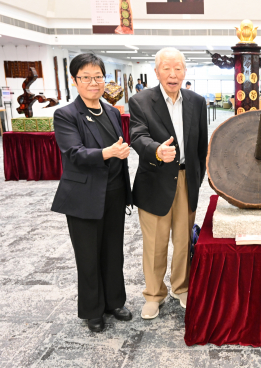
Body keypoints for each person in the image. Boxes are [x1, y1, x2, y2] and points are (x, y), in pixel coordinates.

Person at [51, 53, 133, 333]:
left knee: (113, 252)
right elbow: (74, 153)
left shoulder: (110, 111)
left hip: (114, 191)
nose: (93, 82)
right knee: (88, 256)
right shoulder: (66, 115)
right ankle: (92, 310)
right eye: (86, 77)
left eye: (98, 76)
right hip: (84, 196)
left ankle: (114, 302)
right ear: (75, 81)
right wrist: (109, 153)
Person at [129, 47, 208, 319]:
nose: (173, 74)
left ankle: (181, 287)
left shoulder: (197, 101)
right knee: (155, 243)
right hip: (154, 180)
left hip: (187, 179)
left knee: (184, 240)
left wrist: (198, 177)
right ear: (156, 71)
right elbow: (137, 137)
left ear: (185, 71)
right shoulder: (140, 101)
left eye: (178, 69)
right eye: (167, 68)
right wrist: (156, 150)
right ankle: (153, 294)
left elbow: (201, 146)